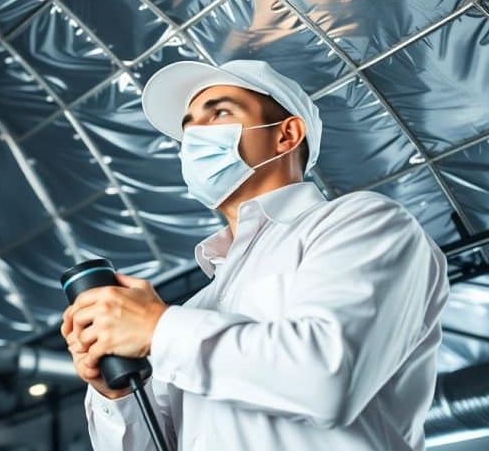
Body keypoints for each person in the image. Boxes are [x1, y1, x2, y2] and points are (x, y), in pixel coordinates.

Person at [60, 60, 450, 451]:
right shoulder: (197, 308)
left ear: (286, 134)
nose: (194, 136)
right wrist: (117, 393)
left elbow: (329, 378)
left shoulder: (363, 223)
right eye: (188, 127)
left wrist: (155, 327)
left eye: (219, 113)